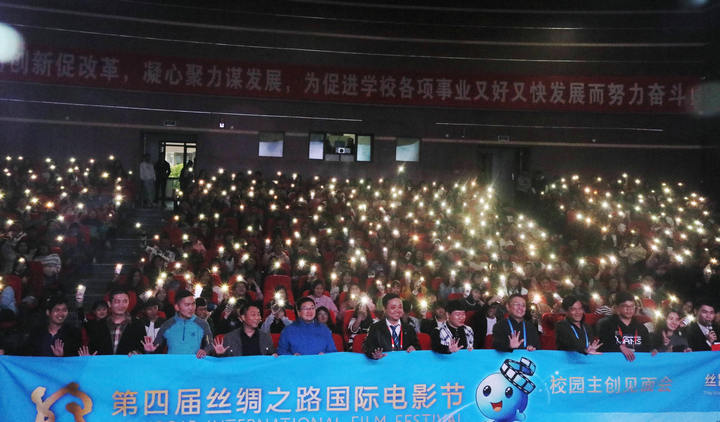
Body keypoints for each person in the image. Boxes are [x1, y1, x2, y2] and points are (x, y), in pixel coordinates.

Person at [143, 289, 213, 357]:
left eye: (193, 304)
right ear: (177, 307)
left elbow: (210, 344)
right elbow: (156, 346)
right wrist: (149, 350)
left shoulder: (202, 324)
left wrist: (205, 351)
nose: (191, 308)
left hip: (194, 364)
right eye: (187, 305)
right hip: (172, 364)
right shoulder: (167, 325)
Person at [84, 288, 146, 355]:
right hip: (105, 361)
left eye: (125, 301)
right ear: (109, 304)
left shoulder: (137, 324)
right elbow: (93, 348)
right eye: (117, 302)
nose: (121, 305)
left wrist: (137, 352)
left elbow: (142, 348)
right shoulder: (99, 325)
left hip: (128, 361)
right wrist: (89, 356)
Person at [596, 292, 651, 361]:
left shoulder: (641, 328)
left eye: (632, 306)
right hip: (615, 363)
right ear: (617, 308)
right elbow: (602, 347)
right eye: (625, 306)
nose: (629, 309)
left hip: (637, 364)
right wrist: (619, 347)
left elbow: (648, 349)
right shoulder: (607, 325)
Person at [363, 293, 420, 359]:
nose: (397, 310)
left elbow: (417, 347)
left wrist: (414, 348)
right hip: (384, 363)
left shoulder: (409, 328)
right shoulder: (375, 328)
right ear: (385, 309)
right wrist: (374, 354)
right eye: (393, 307)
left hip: (405, 363)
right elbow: (368, 348)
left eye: (400, 307)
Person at [211, 303, 275, 356]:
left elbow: (271, 356)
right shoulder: (230, 338)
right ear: (243, 317)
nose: (257, 318)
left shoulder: (266, 337)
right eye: (253, 315)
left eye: (258, 315)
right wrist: (219, 354)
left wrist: (274, 356)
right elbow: (222, 361)